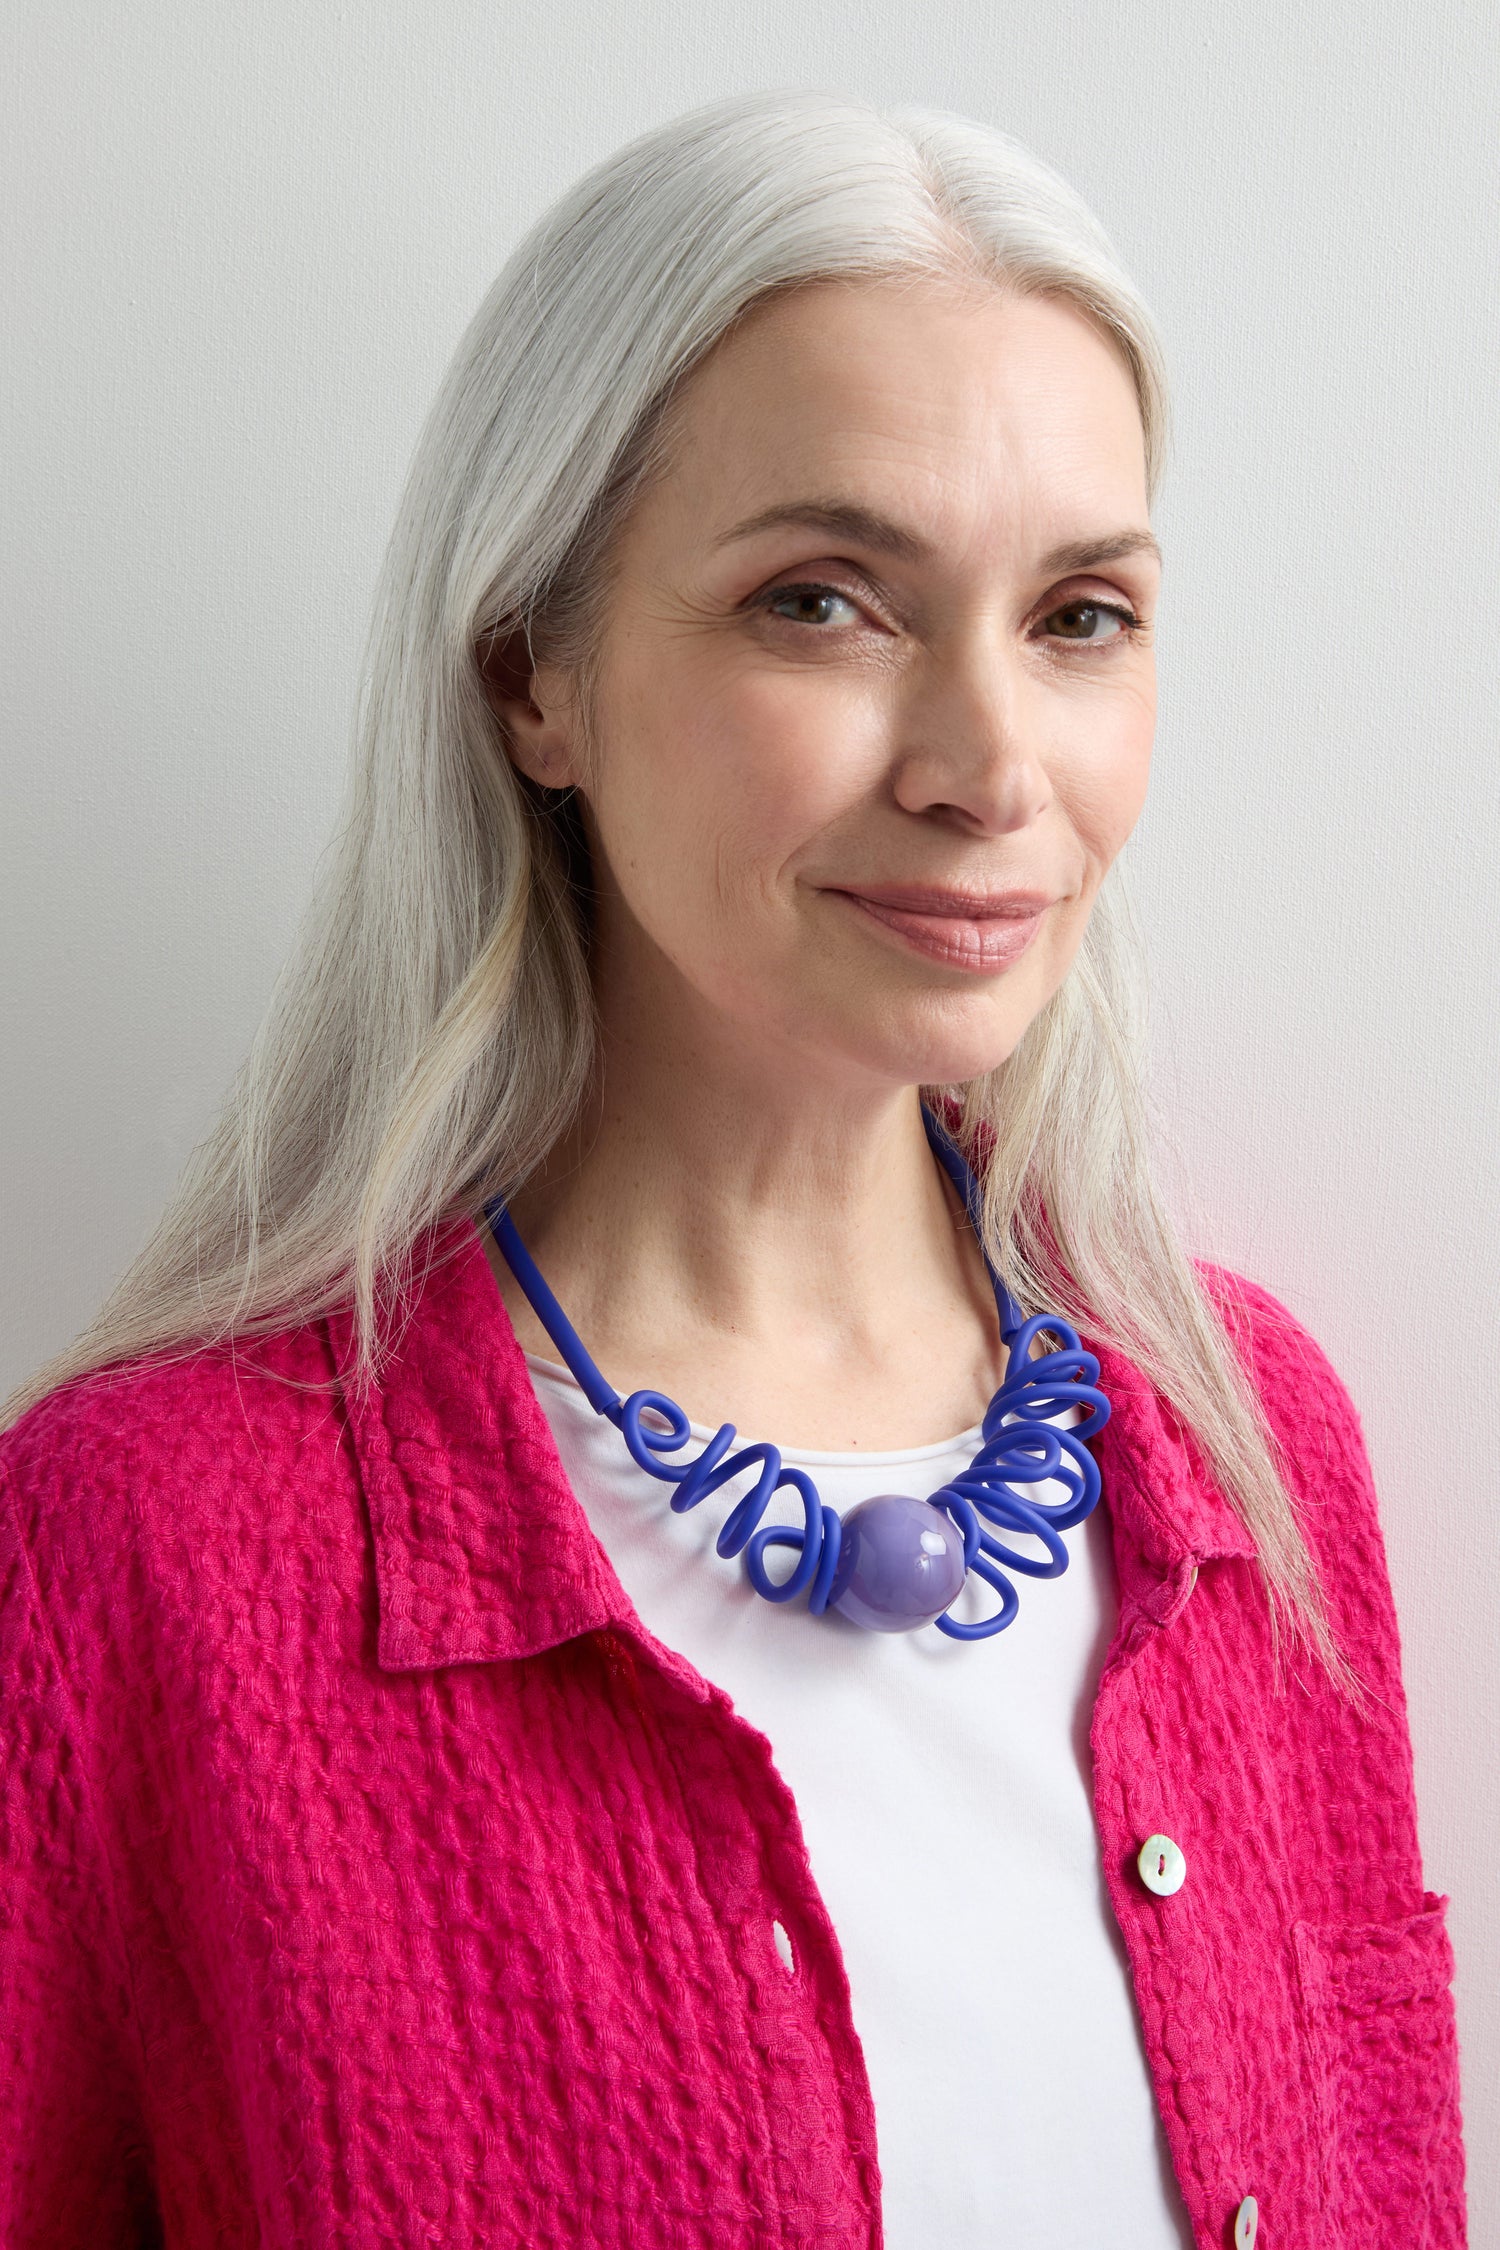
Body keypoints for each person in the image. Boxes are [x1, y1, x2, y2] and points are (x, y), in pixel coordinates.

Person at [0, 87, 1466, 2250]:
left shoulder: (1250, 1451)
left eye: (1080, 617)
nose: (989, 773)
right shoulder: (136, 1558)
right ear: (533, 676)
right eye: (824, 603)